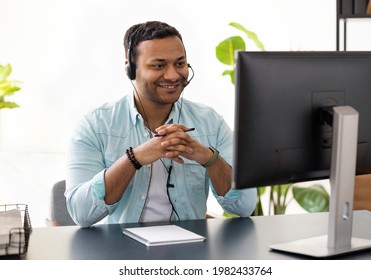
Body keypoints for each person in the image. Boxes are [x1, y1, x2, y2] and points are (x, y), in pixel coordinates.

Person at [65, 21, 256, 227]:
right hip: (120, 251)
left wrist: (207, 158)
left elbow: (245, 206)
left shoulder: (211, 122)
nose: (173, 75)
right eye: (158, 65)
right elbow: (81, 213)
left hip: (191, 251)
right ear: (131, 69)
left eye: (180, 63)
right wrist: (134, 158)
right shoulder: (95, 125)